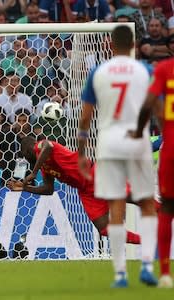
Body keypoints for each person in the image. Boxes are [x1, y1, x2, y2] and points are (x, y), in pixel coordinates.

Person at [78, 25, 158, 288]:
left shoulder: (97, 73)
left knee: (116, 207)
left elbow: (86, 115)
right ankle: (147, 264)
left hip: (109, 144)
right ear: (133, 44)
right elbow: (155, 106)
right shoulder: (145, 71)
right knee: (147, 203)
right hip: (136, 141)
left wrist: (81, 151)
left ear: (110, 45)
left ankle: (121, 273)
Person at [7, 136, 141, 245]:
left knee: (133, 197)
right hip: (85, 190)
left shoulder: (40, 145)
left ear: (27, 151)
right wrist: (25, 188)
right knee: (104, 229)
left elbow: (48, 146)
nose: (26, 159)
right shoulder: (45, 167)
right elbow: (49, 189)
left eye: (24, 155)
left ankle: (159, 210)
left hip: (93, 174)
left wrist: (33, 173)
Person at [129, 50, 174, 288]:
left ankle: (164, 272)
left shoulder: (165, 70)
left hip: (171, 146)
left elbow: (149, 102)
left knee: (165, 208)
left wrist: (138, 131)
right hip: (165, 145)